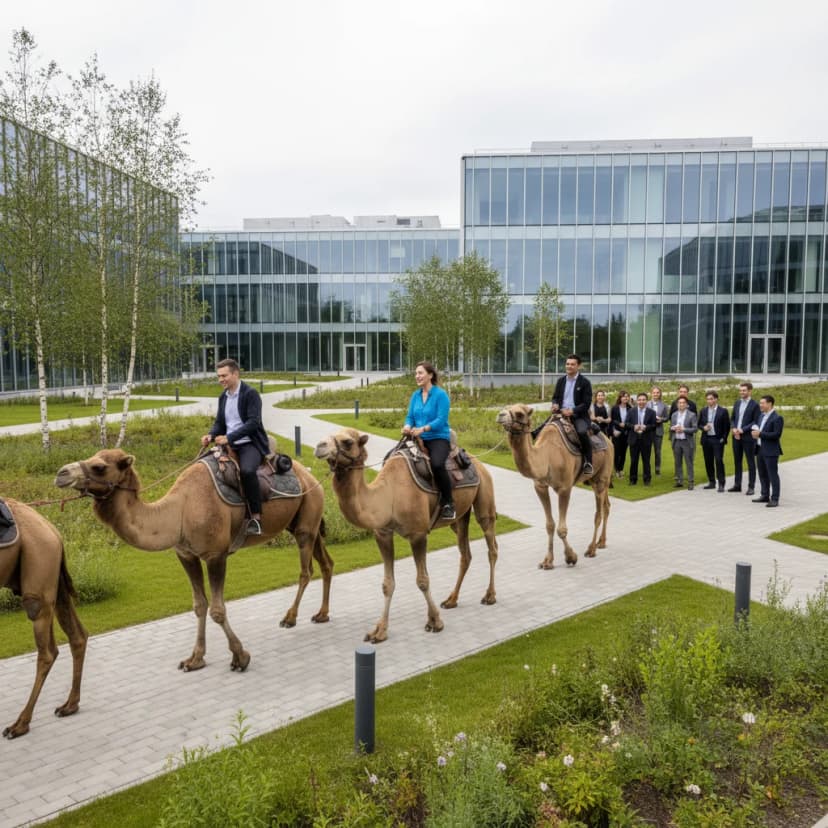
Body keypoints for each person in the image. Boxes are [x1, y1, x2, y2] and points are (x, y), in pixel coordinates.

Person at [201, 358, 271, 535]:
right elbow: (220, 423)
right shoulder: (223, 397)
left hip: (250, 444)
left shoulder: (250, 394)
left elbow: (253, 423)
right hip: (229, 444)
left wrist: (229, 438)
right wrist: (211, 434)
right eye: (218, 376)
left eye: (224, 375)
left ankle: (255, 517)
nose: (221, 380)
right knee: (203, 466)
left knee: (247, 471)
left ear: (235, 374)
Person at [403, 361, 456, 520]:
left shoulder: (441, 395)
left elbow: (441, 419)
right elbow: (410, 416)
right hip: (416, 438)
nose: (417, 376)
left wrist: (423, 429)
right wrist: (407, 426)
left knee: (437, 464)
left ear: (430, 375)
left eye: (420, 373)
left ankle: (448, 503)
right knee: (394, 457)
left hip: (437, 438)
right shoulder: (415, 395)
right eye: (416, 373)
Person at [550, 354, 594, 475]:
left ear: (578, 366)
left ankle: (588, 462)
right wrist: (555, 405)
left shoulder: (585, 382)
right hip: (560, 414)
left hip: (578, 416)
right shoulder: (561, 381)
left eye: (572, 364)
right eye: (567, 364)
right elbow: (555, 398)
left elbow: (586, 403)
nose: (569, 366)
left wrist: (572, 411)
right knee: (541, 430)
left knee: (581, 432)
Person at [751, 395, 784, 507]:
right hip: (760, 449)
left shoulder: (777, 418)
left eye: (762, 403)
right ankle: (764, 495)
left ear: (769, 404)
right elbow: (760, 430)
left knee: (772, 475)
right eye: (760, 403)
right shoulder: (761, 416)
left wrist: (760, 434)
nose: (760, 405)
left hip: (771, 451)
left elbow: (776, 435)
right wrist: (756, 433)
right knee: (762, 474)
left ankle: (775, 499)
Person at [729, 381, 761, 495]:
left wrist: (742, 430)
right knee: (737, 461)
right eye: (740, 390)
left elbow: (755, 421)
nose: (741, 392)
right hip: (736, 437)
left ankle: (751, 487)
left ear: (750, 391)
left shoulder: (755, 405)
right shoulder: (737, 403)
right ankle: (737, 485)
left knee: (750, 462)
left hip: (748, 437)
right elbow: (732, 418)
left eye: (744, 390)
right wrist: (733, 428)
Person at [698, 390, 730, 492]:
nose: (709, 401)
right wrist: (703, 428)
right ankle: (712, 482)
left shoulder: (723, 411)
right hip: (706, 439)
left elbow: (727, 427)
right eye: (707, 399)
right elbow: (699, 424)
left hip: (717, 439)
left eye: (711, 399)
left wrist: (723, 439)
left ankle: (721, 483)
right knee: (708, 461)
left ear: (716, 399)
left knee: (718, 460)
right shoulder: (703, 411)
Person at [627, 392, 657, 485]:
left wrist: (646, 427)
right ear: (636, 401)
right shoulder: (631, 411)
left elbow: (654, 425)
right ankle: (633, 479)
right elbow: (627, 424)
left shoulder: (652, 412)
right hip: (634, 439)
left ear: (646, 401)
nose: (641, 402)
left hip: (646, 439)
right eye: (639, 400)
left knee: (646, 461)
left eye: (643, 400)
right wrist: (633, 426)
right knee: (633, 460)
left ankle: (647, 480)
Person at [669, 395, 698, 490]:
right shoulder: (674, 415)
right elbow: (671, 427)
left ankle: (690, 481)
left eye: (683, 403)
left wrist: (684, 429)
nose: (681, 404)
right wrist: (673, 428)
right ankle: (679, 481)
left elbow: (695, 429)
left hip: (687, 442)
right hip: (676, 441)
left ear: (687, 405)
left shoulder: (692, 415)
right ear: (677, 405)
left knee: (689, 462)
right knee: (677, 462)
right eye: (679, 403)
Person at [647, 386, 669, 475]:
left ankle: (657, 468)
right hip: (648, 431)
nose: (655, 394)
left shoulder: (664, 405)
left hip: (658, 430)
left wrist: (661, 419)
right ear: (651, 393)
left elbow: (667, 418)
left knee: (658, 451)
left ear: (660, 394)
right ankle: (647, 468)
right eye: (654, 392)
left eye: (657, 393)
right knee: (647, 450)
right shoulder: (647, 404)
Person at [610, 390, 632, 479]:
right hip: (617, 433)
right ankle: (617, 469)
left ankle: (621, 469)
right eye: (623, 396)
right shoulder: (615, 408)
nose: (625, 398)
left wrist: (625, 425)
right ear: (620, 398)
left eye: (627, 396)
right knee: (617, 452)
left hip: (626, 433)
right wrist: (618, 424)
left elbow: (631, 420)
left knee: (623, 453)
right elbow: (612, 420)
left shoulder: (630, 408)